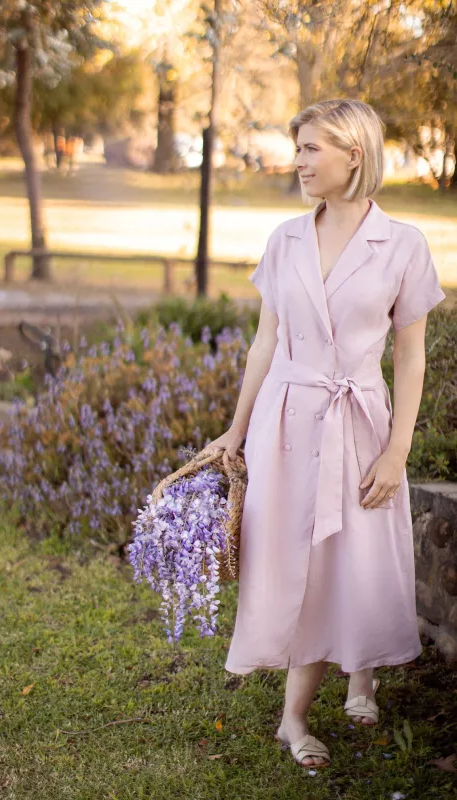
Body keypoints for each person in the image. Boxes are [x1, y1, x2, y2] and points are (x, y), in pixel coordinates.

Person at [206, 99, 447, 770]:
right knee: (296, 566)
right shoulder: (284, 238)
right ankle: (294, 719)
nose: (300, 161)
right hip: (285, 422)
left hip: (360, 421)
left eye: (312, 148)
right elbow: (264, 344)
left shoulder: (402, 244)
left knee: (358, 558)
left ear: (354, 155)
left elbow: (410, 356)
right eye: (299, 148)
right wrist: (236, 430)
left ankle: (358, 676)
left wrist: (398, 450)